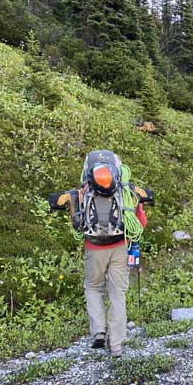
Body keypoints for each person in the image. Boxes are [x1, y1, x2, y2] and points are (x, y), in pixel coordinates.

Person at [49, 150, 150, 357]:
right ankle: (117, 346)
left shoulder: (79, 193)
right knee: (117, 294)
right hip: (120, 247)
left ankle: (99, 332)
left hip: (94, 248)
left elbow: (55, 202)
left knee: (93, 288)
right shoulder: (128, 192)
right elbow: (141, 223)